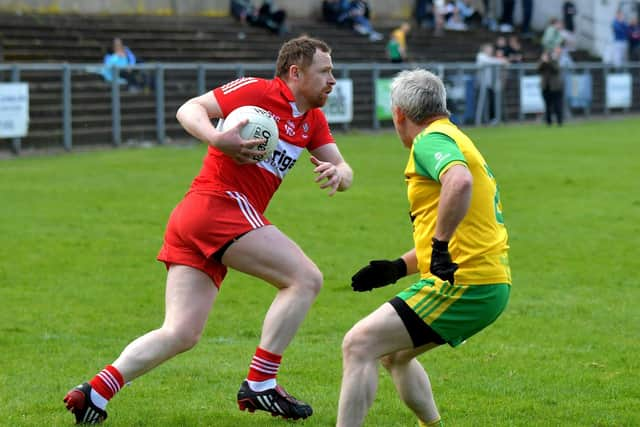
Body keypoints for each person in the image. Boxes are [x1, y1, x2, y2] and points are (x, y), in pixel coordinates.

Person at [63, 36, 353, 424]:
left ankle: (95, 392)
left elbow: (345, 170)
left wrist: (339, 172)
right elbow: (190, 109)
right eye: (325, 71)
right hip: (218, 205)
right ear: (295, 72)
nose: (332, 79)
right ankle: (261, 382)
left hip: (200, 217)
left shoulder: (312, 119)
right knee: (305, 278)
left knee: (181, 332)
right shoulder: (257, 90)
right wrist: (218, 138)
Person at [336, 68, 511, 427]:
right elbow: (459, 229)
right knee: (395, 355)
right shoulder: (454, 137)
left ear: (399, 114)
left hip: (468, 283)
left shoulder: (430, 141)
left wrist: (441, 246)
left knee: (358, 345)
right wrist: (397, 268)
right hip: (484, 281)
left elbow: (458, 183)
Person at [538, 50, 564, 126]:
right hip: (546, 87)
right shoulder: (543, 63)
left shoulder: (555, 61)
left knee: (557, 105)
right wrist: (543, 61)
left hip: (556, 88)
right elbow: (538, 69)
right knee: (547, 106)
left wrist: (550, 61)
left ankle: (559, 122)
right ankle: (548, 122)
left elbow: (556, 69)